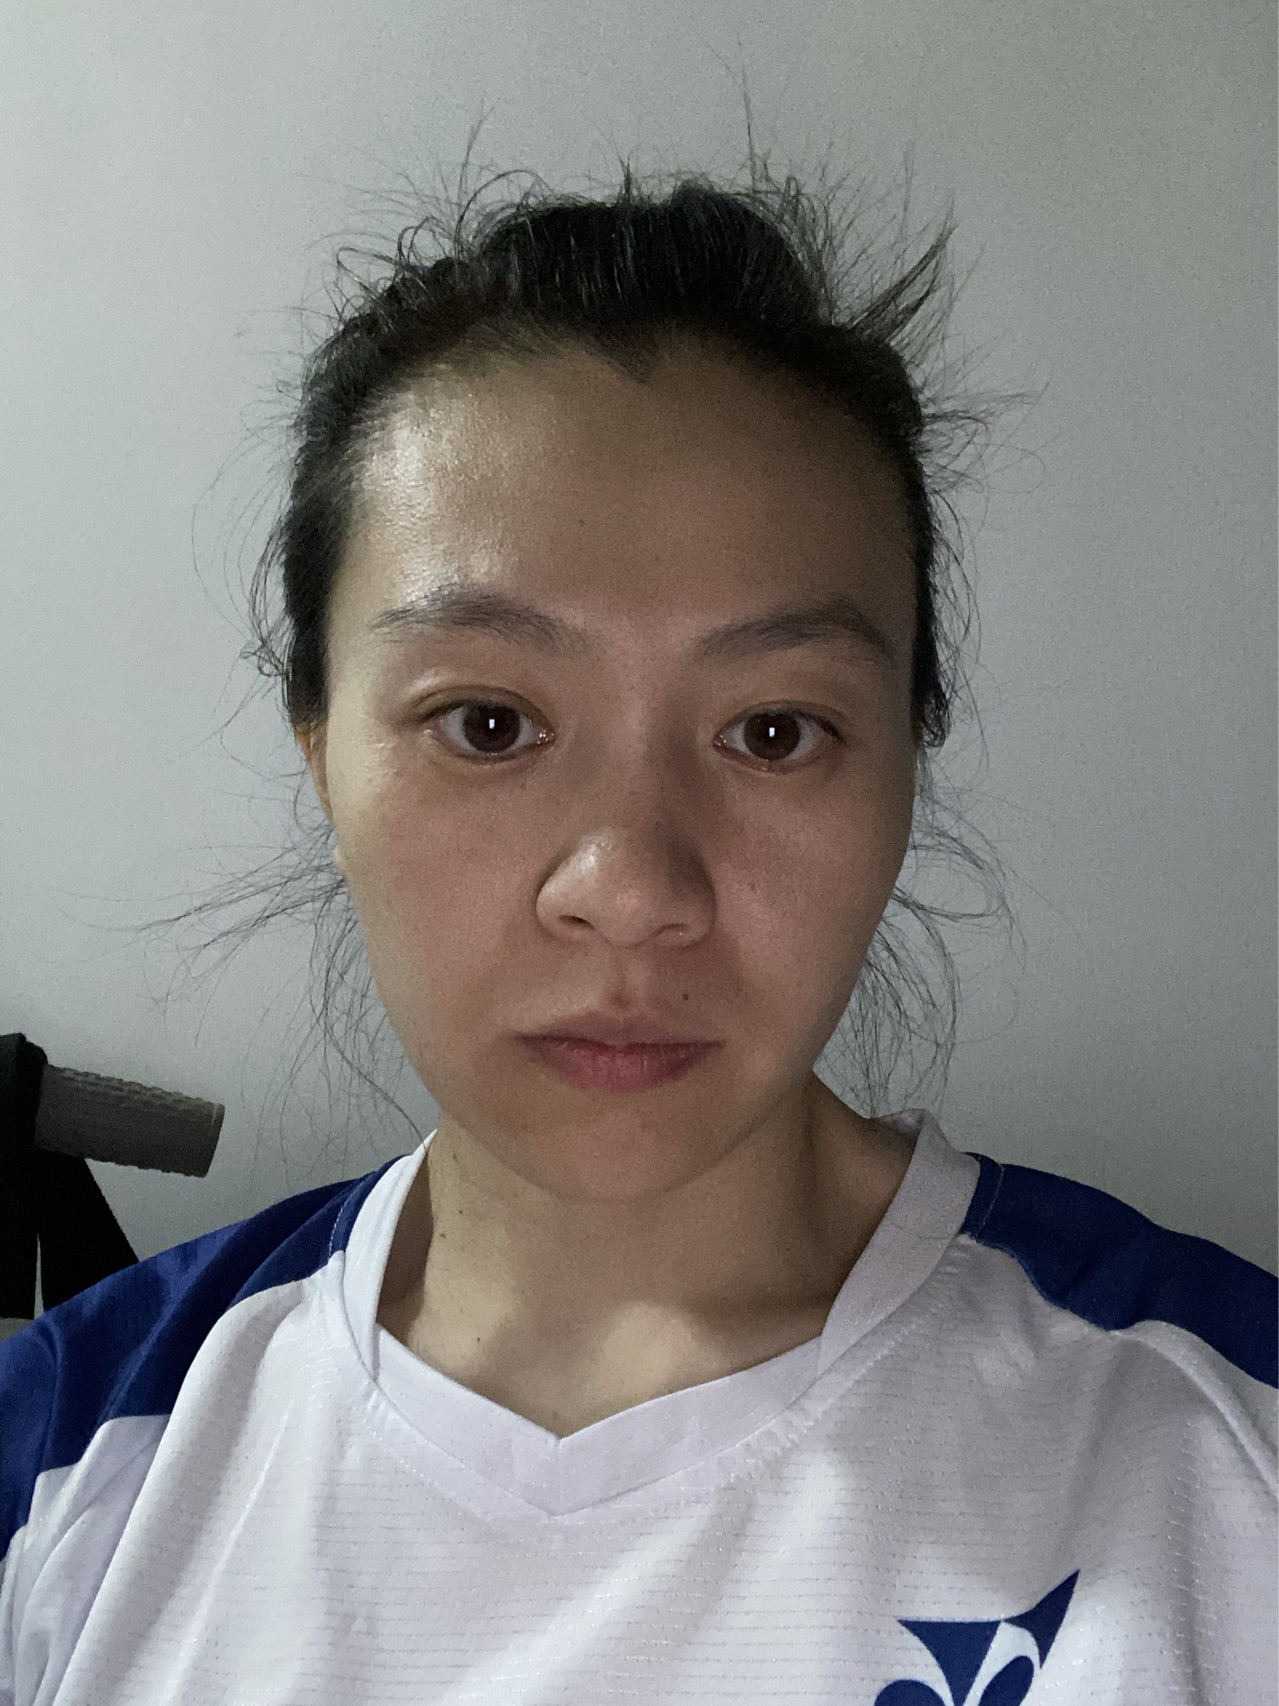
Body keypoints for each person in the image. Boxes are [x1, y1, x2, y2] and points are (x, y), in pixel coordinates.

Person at [1, 153, 1274, 1706]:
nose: (630, 883)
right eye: (487, 722)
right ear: (321, 752)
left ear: (908, 761)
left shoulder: (1222, 1453)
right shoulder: (63, 1465)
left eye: (775, 731)